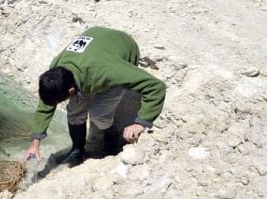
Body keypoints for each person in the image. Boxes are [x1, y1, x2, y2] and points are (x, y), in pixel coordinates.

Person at [23, 26, 165, 165]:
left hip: (122, 47)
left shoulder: (108, 71)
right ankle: (77, 151)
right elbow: (46, 105)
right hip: (96, 39)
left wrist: (141, 123)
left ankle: (110, 143)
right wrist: (35, 143)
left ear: (72, 91)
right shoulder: (56, 70)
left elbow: (155, 86)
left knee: (100, 115)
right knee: (74, 112)